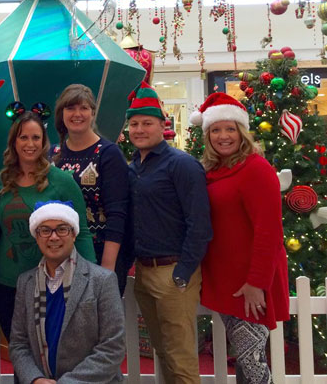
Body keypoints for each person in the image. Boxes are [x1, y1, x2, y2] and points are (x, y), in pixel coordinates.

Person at [190, 93, 290, 383]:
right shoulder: (213, 170)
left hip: (249, 284)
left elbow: (269, 231)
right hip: (226, 279)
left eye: (230, 129)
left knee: (253, 364)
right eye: (216, 130)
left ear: (241, 132)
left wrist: (256, 283)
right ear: (208, 135)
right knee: (246, 363)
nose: (223, 136)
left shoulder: (256, 169)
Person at [126, 82, 212, 384]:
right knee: (162, 352)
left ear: (162, 125)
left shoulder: (182, 165)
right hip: (144, 272)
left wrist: (184, 271)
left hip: (173, 271)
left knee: (181, 358)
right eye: (134, 124)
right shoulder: (133, 167)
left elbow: (200, 223)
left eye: (146, 123)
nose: (139, 129)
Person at [0, 111, 96, 342]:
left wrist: (91, 279)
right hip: (7, 284)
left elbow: (82, 233)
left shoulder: (61, 181)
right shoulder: (3, 181)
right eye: (23, 138)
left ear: (43, 142)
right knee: (19, 353)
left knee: (51, 353)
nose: (30, 144)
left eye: (35, 138)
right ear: (13, 142)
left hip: (51, 283)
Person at [9, 201, 126, 384]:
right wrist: (35, 379)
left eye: (62, 229)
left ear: (73, 234)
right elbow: (18, 344)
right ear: (36, 236)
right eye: (45, 230)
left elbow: (113, 347)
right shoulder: (26, 283)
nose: (53, 237)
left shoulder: (102, 281)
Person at [52, 83, 130, 294]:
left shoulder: (108, 154)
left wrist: (107, 268)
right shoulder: (53, 154)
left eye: (84, 108)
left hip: (100, 253)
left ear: (93, 113)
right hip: (59, 254)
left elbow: (118, 213)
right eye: (71, 108)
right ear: (62, 114)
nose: (77, 114)